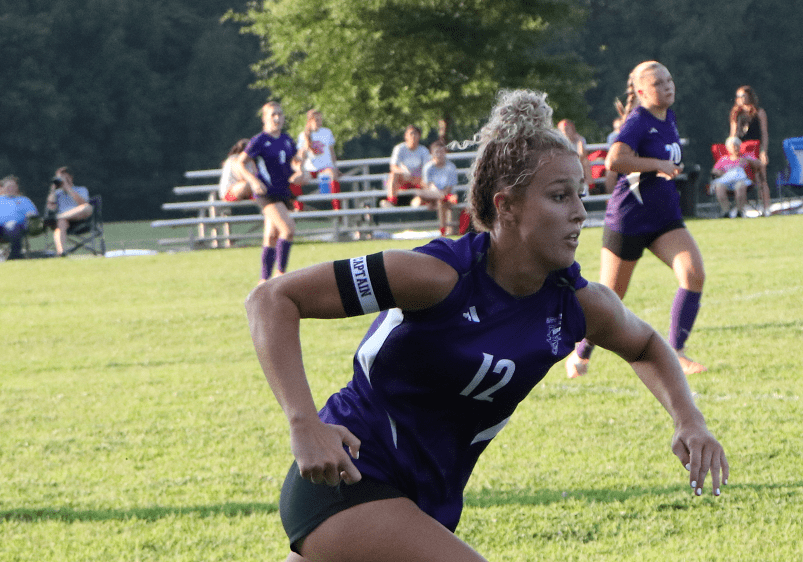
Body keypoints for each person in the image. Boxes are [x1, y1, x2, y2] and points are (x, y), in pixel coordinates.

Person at [245, 89, 728, 562]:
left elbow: (644, 345)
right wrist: (304, 422)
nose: (580, 212)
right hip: (350, 476)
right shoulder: (437, 277)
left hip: (422, 503)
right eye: (560, 196)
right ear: (506, 206)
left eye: (580, 195)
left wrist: (690, 420)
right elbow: (272, 298)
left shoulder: (574, 303)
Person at [566, 60, 708, 379]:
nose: (667, 86)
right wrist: (657, 163)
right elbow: (614, 160)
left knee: (693, 274)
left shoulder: (667, 116)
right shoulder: (639, 120)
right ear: (642, 92)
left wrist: (666, 168)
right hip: (629, 220)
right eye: (658, 83)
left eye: (669, 79)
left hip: (664, 219)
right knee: (610, 300)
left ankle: (676, 353)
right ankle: (581, 352)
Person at [236, 101, 298, 283]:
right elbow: (240, 163)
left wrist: (300, 171)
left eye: (280, 114)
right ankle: (280, 275)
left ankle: (263, 281)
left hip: (282, 192)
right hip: (267, 193)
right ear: (264, 119)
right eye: (273, 115)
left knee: (271, 236)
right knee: (288, 230)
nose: (277, 118)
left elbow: (293, 161)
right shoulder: (259, 141)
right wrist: (254, 181)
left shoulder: (286, 140)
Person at [729, 85, 772, 213]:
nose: (740, 99)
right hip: (741, 150)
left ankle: (766, 208)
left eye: (743, 96)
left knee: (761, 178)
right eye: (738, 96)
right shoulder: (736, 113)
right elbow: (733, 135)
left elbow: (764, 134)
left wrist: (764, 152)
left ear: (749, 96)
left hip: (756, 149)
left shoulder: (759, 112)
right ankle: (740, 208)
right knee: (741, 178)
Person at [296, 109, 341, 210]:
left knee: (332, 175)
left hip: (324, 168)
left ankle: (337, 208)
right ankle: (298, 208)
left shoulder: (327, 132)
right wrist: (305, 148)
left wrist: (335, 167)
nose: (319, 122)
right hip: (310, 169)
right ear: (310, 121)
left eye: (320, 120)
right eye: (316, 120)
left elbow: (331, 152)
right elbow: (299, 156)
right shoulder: (303, 136)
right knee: (295, 179)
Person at [44, 167, 93, 257]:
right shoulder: (57, 193)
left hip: (80, 218)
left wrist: (68, 188)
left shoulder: (81, 189)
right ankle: (61, 252)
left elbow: (83, 204)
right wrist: (52, 191)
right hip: (65, 221)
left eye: (65, 178)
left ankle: (61, 216)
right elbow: (50, 207)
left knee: (87, 207)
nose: (62, 181)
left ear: (71, 178)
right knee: (60, 223)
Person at [711, 136, 764, 218]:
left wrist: (750, 162)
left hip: (743, 181)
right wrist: (723, 173)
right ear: (728, 148)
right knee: (719, 186)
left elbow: (759, 165)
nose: (735, 148)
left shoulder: (746, 157)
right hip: (728, 182)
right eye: (733, 146)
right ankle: (726, 212)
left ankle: (739, 211)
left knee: (740, 186)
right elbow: (714, 171)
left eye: (737, 146)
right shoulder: (724, 159)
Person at [384, 125, 432, 207]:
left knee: (428, 180)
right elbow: (393, 166)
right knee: (393, 174)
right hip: (403, 179)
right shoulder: (399, 148)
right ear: (406, 136)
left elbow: (427, 169)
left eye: (415, 134)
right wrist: (404, 173)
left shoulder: (424, 151)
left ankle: (423, 201)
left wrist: (415, 178)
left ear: (419, 136)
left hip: (418, 180)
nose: (413, 136)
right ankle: (391, 201)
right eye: (411, 133)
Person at [421, 139, 459, 235]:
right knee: (436, 199)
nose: (439, 154)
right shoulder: (428, 167)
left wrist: (442, 195)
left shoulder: (451, 167)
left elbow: (449, 187)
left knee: (443, 202)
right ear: (432, 153)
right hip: (432, 195)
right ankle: (445, 230)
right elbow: (429, 185)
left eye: (442, 152)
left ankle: (444, 230)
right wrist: (439, 194)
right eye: (437, 152)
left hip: (446, 195)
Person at [0, 176, 39, 260]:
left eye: (13, 186)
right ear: (3, 188)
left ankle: (15, 256)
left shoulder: (24, 200)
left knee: (13, 227)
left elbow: (33, 214)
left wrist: (30, 215)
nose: (11, 189)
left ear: (17, 188)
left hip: (17, 226)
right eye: (8, 187)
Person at [557, 119, 593, 191]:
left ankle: (588, 183)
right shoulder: (558, 142)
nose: (564, 132)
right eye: (561, 130)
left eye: (566, 129)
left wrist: (580, 141)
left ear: (573, 129)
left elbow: (582, 155)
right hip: (566, 166)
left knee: (585, 161)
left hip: (577, 164)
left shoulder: (580, 139)